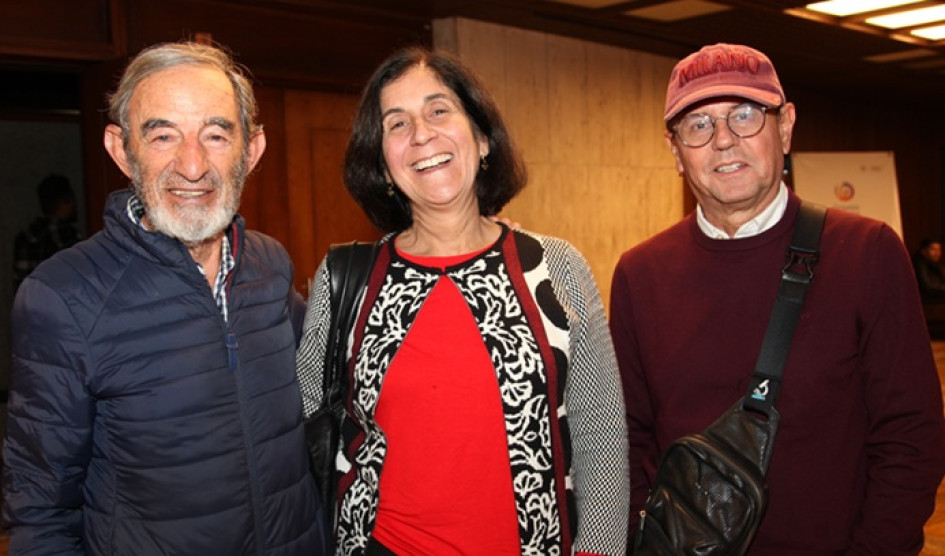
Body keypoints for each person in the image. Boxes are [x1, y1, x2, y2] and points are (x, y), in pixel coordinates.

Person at [610, 42, 945, 553]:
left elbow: (911, 437)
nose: (724, 140)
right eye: (698, 124)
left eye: (745, 115)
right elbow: (627, 440)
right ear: (676, 151)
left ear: (785, 127)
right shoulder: (640, 274)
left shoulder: (867, 253)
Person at [296, 46, 629, 555]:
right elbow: (302, 421)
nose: (421, 134)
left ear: (482, 137)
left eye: (438, 110)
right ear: (382, 164)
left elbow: (599, 434)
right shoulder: (347, 281)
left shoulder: (555, 268)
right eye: (397, 124)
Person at [3, 41, 328, 554]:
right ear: (121, 149)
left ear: (252, 150)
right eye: (162, 136)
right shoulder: (63, 296)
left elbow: (337, 378)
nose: (192, 165)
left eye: (216, 134)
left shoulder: (269, 264)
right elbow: (39, 513)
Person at [12, 173, 81, 291]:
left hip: (33, 301)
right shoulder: (67, 235)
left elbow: (20, 285)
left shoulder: (25, 237)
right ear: (64, 202)